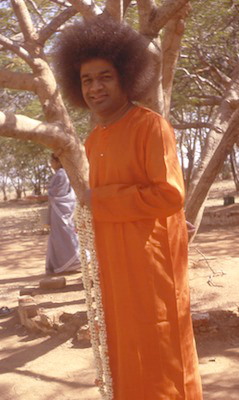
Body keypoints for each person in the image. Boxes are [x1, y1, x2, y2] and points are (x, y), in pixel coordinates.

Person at [54, 18, 203, 399]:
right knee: (121, 349)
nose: (95, 87)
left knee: (160, 349)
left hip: (152, 266)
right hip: (112, 265)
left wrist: (98, 201)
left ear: (127, 76)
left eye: (104, 76)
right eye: (86, 79)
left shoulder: (151, 127)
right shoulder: (91, 140)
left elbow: (169, 195)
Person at [45, 153, 81, 275]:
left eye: (52, 160)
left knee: (63, 234)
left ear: (58, 161)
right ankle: (63, 263)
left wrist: (40, 196)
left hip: (60, 209)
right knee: (61, 234)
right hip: (62, 208)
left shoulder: (61, 173)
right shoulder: (63, 173)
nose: (51, 163)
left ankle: (72, 261)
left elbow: (57, 193)